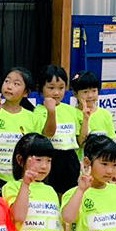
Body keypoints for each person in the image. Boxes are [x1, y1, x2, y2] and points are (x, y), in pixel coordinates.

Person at [0, 67, 38, 193]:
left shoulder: (32, 117)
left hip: (21, 178)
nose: (9, 86)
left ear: (26, 92)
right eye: (7, 81)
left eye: (16, 84)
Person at [34, 65, 80, 196]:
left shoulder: (71, 110)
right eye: (51, 88)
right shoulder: (38, 112)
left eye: (61, 88)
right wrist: (51, 112)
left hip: (70, 159)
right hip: (51, 159)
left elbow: (78, 139)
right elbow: (48, 133)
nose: (56, 93)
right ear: (41, 89)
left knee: (70, 195)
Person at [71, 70, 115, 159]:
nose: (90, 95)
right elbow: (81, 143)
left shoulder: (106, 114)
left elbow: (110, 142)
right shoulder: (71, 114)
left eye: (94, 91)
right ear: (75, 93)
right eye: (85, 92)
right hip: (81, 164)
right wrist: (85, 119)